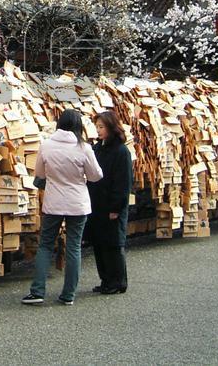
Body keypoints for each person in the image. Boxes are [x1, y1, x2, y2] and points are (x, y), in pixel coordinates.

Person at [21, 109, 102, 306]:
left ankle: (37, 291)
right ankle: (68, 294)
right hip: (78, 203)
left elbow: (39, 173)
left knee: (46, 245)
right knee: (74, 246)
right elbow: (96, 176)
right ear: (78, 126)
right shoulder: (84, 148)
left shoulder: (46, 145)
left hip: (53, 201)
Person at [86, 110, 134, 295]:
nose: (98, 131)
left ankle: (118, 281)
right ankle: (105, 279)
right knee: (99, 243)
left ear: (111, 128)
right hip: (96, 202)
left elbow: (123, 182)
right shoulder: (97, 148)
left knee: (113, 244)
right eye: (97, 127)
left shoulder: (121, 151)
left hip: (112, 203)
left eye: (102, 127)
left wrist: (116, 206)